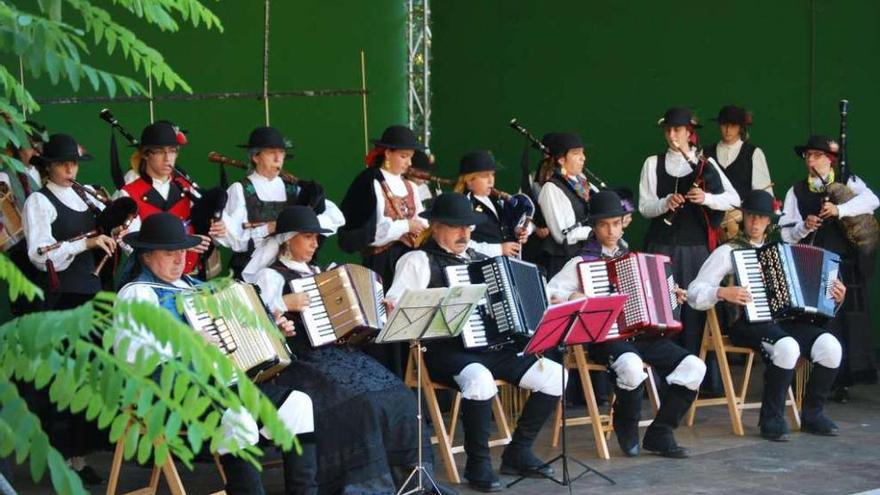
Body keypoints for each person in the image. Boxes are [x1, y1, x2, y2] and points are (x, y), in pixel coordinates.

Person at [242, 205, 455, 494]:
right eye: (308, 237)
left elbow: (340, 323)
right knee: (362, 403)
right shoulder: (271, 277)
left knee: (399, 395)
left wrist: (368, 317)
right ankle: (366, 485)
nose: (315, 244)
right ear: (287, 239)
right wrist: (285, 304)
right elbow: (254, 323)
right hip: (300, 362)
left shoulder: (321, 273)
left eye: (317, 238)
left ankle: (406, 479)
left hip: (337, 355)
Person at [117, 213, 318, 494]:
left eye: (183, 252)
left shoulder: (197, 288)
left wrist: (271, 330)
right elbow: (131, 355)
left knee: (298, 405)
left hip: (224, 385)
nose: (179, 259)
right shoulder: (137, 294)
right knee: (240, 420)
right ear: (146, 256)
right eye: (169, 253)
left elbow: (234, 333)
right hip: (170, 389)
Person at [386, 193, 563, 492]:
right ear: (436, 226)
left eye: (468, 227)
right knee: (480, 380)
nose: (464, 234)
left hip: (492, 348)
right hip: (443, 351)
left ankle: (517, 451)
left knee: (556, 377)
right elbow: (396, 304)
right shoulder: (418, 260)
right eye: (456, 227)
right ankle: (477, 463)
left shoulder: (482, 261)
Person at [547, 190, 704, 458]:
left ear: (623, 224)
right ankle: (626, 425)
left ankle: (661, 433)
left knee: (694, 367)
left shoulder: (633, 257)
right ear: (594, 227)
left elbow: (651, 296)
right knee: (631, 368)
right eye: (604, 224)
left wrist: (671, 295)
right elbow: (550, 294)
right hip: (607, 338)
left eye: (616, 223)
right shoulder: (581, 262)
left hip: (644, 336)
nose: (611, 230)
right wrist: (572, 296)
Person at [689, 190, 847, 440]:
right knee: (786, 347)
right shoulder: (728, 251)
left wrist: (835, 296)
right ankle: (771, 418)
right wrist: (722, 292)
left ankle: (813, 414)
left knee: (831, 346)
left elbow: (814, 295)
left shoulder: (783, 251)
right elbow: (694, 292)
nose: (754, 222)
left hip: (784, 323)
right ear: (743, 217)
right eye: (751, 216)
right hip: (746, 324)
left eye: (761, 218)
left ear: (769, 221)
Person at [638, 107, 740, 394]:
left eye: (678, 130)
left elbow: (732, 200)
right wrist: (664, 203)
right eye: (668, 130)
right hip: (660, 247)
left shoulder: (704, 164)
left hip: (694, 251)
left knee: (693, 312)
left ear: (688, 133)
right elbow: (645, 207)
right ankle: (659, 380)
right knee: (661, 313)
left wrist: (705, 197)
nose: (672, 136)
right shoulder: (652, 163)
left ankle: (696, 379)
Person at [779, 135, 879, 400]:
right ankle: (805, 381)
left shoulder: (849, 181)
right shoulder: (797, 190)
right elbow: (786, 233)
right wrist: (805, 226)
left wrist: (839, 210)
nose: (810, 161)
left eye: (816, 155)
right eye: (807, 156)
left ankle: (840, 382)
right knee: (810, 320)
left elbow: (872, 201)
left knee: (842, 323)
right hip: (809, 265)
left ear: (829, 159)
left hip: (842, 264)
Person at [221, 126, 344, 278]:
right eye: (271, 153)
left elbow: (336, 217)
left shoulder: (294, 189)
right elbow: (234, 239)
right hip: (251, 269)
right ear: (256, 157)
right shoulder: (240, 189)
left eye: (281, 153)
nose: (278, 159)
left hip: (288, 271)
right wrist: (266, 229)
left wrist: (301, 224)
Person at [118, 120, 227, 275]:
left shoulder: (187, 188)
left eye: (172, 151)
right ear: (145, 154)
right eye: (160, 151)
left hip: (191, 277)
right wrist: (183, 244)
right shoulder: (128, 194)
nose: (168, 158)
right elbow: (132, 244)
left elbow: (204, 231)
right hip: (150, 281)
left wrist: (217, 229)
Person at [453, 150, 529, 258]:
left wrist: (516, 231)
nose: (491, 181)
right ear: (469, 181)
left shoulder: (495, 200)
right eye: (485, 176)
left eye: (493, 175)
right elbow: (461, 244)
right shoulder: (465, 204)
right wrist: (499, 249)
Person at [536, 132, 591, 277]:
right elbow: (563, 235)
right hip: (562, 264)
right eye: (576, 153)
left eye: (582, 153)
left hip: (584, 256)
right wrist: (595, 231)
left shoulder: (582, 181)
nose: (582, 158)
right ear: (561, 159)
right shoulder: (551, 188)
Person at [704, 105, 774, 198]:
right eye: (724, 124)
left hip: (743, 211)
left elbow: (762, 195)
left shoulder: (754, 153)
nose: (728, 129)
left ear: (740, 128)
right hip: (710, 211)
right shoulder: (706, 152)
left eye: (733, 125)